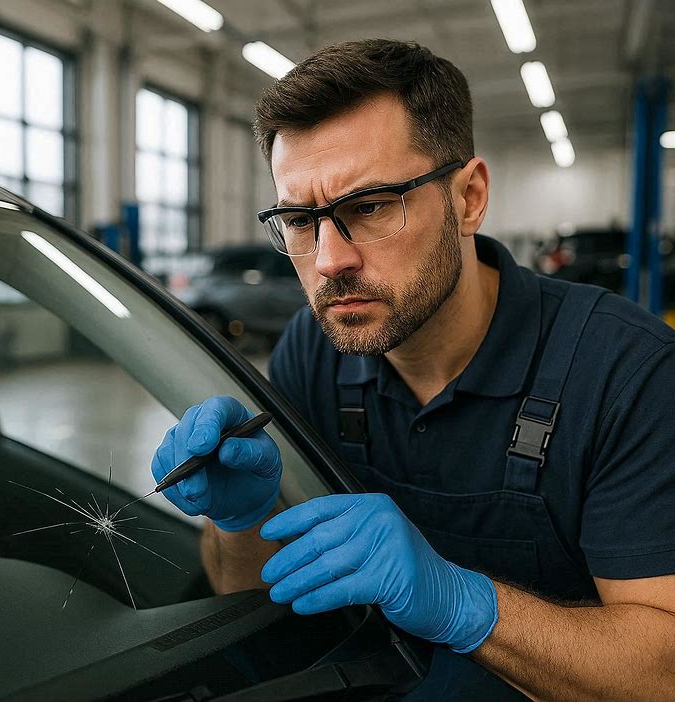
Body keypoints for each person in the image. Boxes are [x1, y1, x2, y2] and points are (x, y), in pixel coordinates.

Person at [152, 39, 675, 700]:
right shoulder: (313, 352)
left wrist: (467, 606)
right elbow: (243, 593)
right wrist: (240, 522)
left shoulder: (625, 374)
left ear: (469, 197)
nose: (329, 259)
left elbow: (664, 673)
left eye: (369, 207)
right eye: (298, 220)